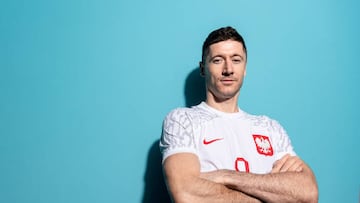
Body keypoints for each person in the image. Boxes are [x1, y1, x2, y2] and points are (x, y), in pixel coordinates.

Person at [159, 26, 318, 203]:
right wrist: (272, 195)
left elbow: (307, 193)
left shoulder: (270, 128)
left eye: (236, 60)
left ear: (245, 68)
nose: (228, 69)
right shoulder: (182, 121)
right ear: (203, 68)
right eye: (218, 60)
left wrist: (226, 176)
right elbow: (186, 194)